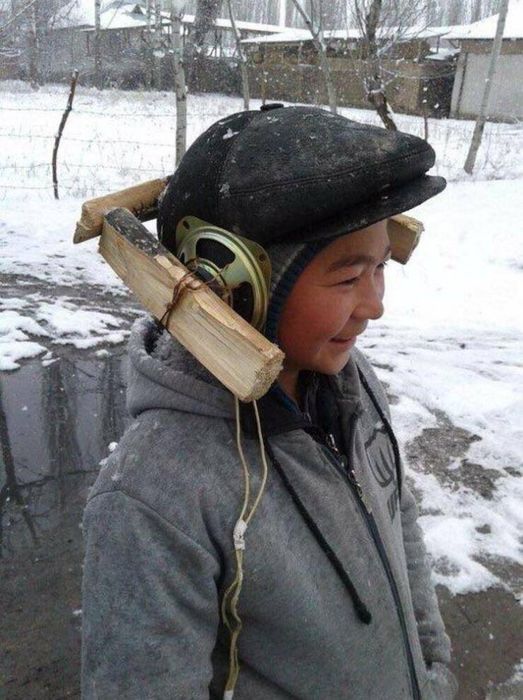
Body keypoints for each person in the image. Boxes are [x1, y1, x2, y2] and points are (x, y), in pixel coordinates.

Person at [81, 105, 457, 699]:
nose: (375, 306)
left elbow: (397, 517)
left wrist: (432, 669)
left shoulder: (349, 380)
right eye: (348, 277)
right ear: (236, 286)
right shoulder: (155, 493)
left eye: (381, 266)